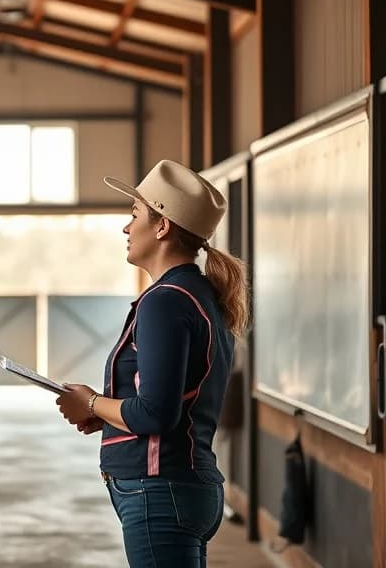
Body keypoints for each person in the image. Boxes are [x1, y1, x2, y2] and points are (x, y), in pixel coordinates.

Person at [56, 159, 249, 567]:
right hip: (181, 486)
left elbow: (155, 414)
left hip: (160, 490)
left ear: (161, 227)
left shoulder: (165, 301)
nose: (126, 228)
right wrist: (110, 415)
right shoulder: (194, 293)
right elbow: (167, 403)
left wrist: (91, 403)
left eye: (134, 215)